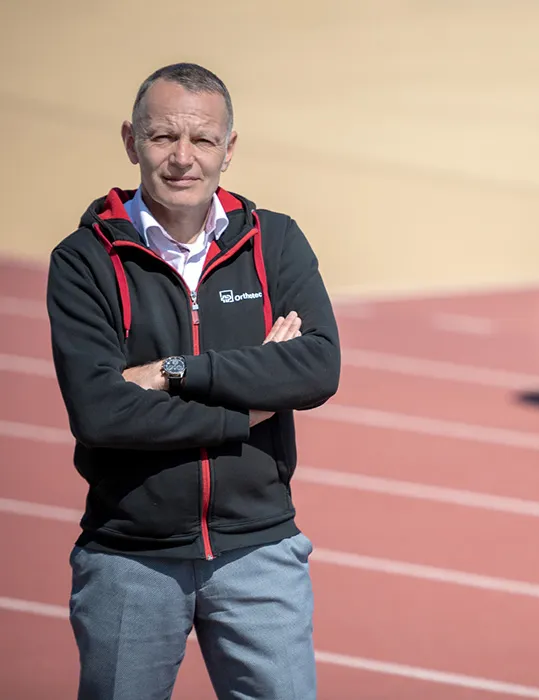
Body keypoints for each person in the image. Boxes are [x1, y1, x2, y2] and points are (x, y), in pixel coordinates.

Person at [45, 62, 340, 700]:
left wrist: (174, 373)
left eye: (202, 140)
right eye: (162, 138)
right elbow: (102, 413)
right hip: (130, 560)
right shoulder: (84, 260)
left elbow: (316, 367)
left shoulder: (276, 242)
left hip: (260, 553)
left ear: (228, 150)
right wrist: (245, 407)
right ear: (131, 141)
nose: (183, 158)